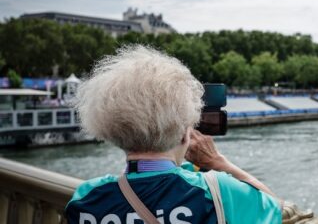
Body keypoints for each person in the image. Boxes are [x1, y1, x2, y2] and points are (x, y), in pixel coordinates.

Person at [65, 45, 281, 224]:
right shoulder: (217, 191)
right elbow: (274, 208)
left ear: (112, 131)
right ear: (185, 134)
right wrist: (218, 161)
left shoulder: (85, 197)